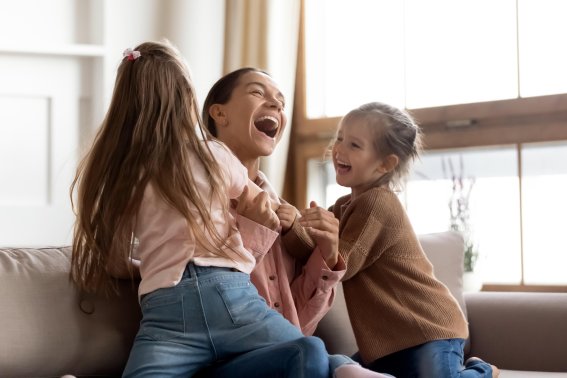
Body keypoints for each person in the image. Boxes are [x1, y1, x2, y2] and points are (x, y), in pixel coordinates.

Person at [69, 41, 332, 378]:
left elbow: (116, 261)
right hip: (229, 295)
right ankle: (348, 370)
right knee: (310, 354)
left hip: (164, 309)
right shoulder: (213, 154)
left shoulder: (121, 170)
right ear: (187, 97)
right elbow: (261, 205)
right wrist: (259, 228)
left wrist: (159, 264)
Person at [198, 68, 392, 378]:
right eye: (258, 93)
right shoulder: (196, 203)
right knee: (316, 353)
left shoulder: (285, 216)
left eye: (281, 101)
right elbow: (206, 299)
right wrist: (253, 229)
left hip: (288, 358)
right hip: (222, 360)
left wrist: (326, 256)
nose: (275, 105)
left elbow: (296, 323)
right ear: (219, 114)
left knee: (322, 356)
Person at [299, 101, 501, 377]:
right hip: (387, 345)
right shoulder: (344, 206)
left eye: (354, 145)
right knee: (339, 369)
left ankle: (482, 370)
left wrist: (318, 234)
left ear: (385, 164)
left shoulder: (378, 204)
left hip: (429, 329)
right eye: (339, 138)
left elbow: (345, 263)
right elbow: (312, 247)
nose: (339, 149)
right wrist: (289, 222)